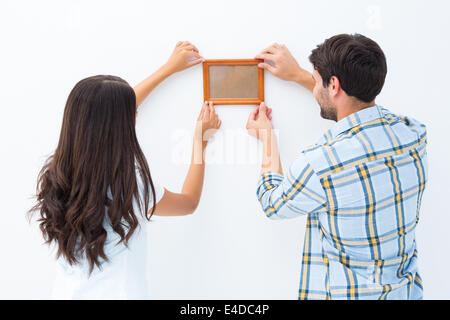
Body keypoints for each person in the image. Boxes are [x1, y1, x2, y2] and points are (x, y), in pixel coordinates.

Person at [29, 41, 222, 299]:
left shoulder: (58, 173)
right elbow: (188, 203)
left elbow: (102, 112)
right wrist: (200, 141)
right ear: (121, 124)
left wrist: (167, 69)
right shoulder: (130, 184)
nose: (137, 114)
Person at [247, 34, 427, 300]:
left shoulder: (320, 166)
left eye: (316, 80)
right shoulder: (413, 134)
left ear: (333, 85)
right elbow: (362, 112)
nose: (314, 86)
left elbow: (272, 203)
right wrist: (299, 74)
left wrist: (267, 138)